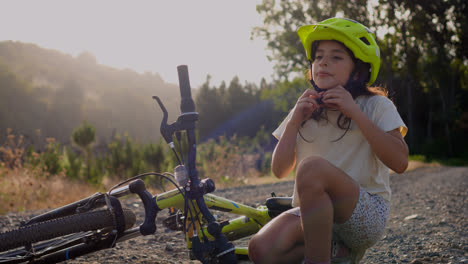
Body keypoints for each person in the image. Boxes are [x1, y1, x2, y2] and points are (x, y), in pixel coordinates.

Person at [248, 17, 409, 264]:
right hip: (312, 217)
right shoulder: (304, 108)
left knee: (312, 168)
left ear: (357, 70)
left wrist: (354, 112)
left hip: (363, 214)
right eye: (318, 56)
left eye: (336, 57)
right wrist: (294, 122)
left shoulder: (376, 106)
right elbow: (279, 170)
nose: (323, 61)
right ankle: (336, 253)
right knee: (260, 249)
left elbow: (400, 162)